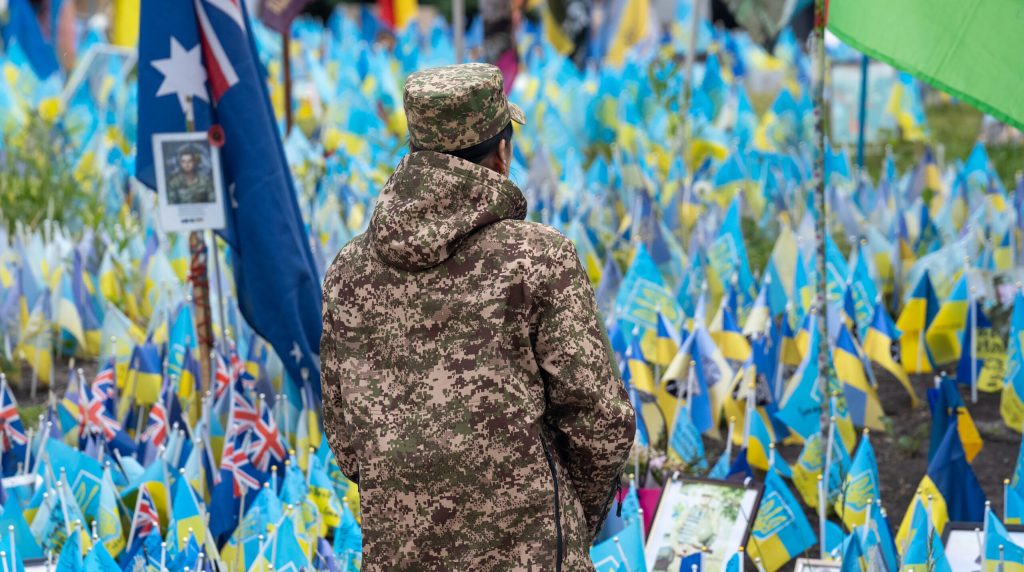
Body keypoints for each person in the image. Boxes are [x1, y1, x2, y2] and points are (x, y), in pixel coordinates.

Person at [321, 63, 636, 570]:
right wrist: (565, 521)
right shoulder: (539, 259)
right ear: (503, 153)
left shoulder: (347, 272)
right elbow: (601, 421)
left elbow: (346, 438)